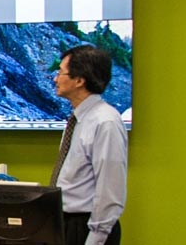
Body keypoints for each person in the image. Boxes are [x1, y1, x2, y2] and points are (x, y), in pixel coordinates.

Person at [50, 45, 127, 245]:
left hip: (87, 229)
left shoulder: (105, 122)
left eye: (60, 72)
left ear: (79, 80)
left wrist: (95, 239)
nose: (55, 79)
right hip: (65, 224)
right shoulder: (78, 119)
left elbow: (110, 191)